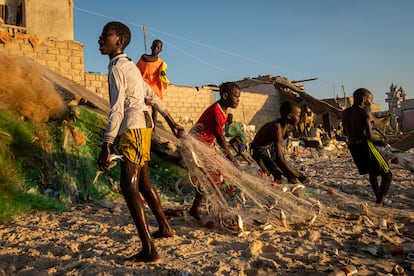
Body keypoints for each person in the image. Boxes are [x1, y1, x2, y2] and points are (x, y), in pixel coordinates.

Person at [97, 21, 183, 263]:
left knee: (129, 186)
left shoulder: (117, 68)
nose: (100, 39)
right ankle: (165, 227)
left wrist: (107, 143)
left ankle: (149, 249)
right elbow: (151, 95)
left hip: (134, 128)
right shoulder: (131, 67)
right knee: (143, 181)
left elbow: (116, 109)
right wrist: (171, 120)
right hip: (145, 127)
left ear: (120, 41)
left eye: (106, 35)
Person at [188, 82, 241, 220]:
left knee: (214, 176)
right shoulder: (216, 111)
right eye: (236, 96)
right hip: (197, 144)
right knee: (212, 176)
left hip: (206, 144)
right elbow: (220, 139)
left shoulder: (224, 111)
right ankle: (213, 208)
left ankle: (198, 208)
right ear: (225, 96)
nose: (238, 100)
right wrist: (232, 159)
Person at [342, 88, 392, 206]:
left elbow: (345, 132)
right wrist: (381, 141)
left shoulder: (346, 112)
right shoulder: (365, 113)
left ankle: (378, 198)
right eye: (371, 100)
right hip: (366, 146)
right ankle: (379, 203)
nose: (371, 102)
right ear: (364, 99)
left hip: (353, 147)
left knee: (372, 172)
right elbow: (370, 136)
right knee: (388, 174)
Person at [250, 101, 309, 184]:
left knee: (289, 175)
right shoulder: (277, 128)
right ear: (289, 116)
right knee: (277, 174)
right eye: (298, 116)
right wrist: (298, 174)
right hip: (258, 150)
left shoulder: (286, 125)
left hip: (270, 148)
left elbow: (280, 157)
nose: (299, 118)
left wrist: (293, 174)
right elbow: (279, 158)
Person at [136, 39, 169, 125]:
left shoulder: (161, 62)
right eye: (155, 46)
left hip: (154, 86)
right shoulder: (144, 57)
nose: (156, 48)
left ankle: (154, 128)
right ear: (151, 46)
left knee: (155, 107)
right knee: (141, 103)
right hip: (144, 84)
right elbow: (136, 69)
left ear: (161, 50)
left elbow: (163, 72)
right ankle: (142, 123)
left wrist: (163, 73)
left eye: (158, 47)